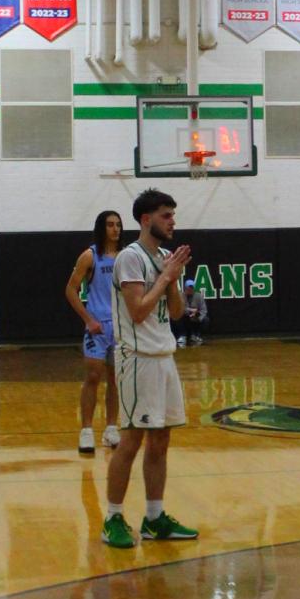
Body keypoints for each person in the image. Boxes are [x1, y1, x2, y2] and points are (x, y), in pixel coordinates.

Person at [101, 188, 198, 548]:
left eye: (173, 215)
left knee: (161, 439)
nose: (173, 221)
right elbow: (138, 311)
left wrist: (172, 275)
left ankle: (154, 518)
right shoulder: (130, 258)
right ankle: (112, 517)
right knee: (130, 441)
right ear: (146, 220)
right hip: (137, 359)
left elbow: (174, 314)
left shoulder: (161, 257)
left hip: (163, 357)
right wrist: (165, 276)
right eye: (166, 215)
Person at [65, 209, 123, 454]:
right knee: (92, 378)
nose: (115, 229)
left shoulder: (126, 257)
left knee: (115, 380)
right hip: (97, 326)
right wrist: (88, 319)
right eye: (110, 224)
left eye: (118, 224)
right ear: (102, 227)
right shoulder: (90, 256)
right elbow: (70, 290)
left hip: (120, 328)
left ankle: (111, 429)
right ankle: (86, 430)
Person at [176, 277, 208, 348]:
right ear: (185, 288)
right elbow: (179, 308)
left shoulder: (199, 296)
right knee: (177, 317)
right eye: (188, 288)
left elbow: (204, 310)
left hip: (195, 318)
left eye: (192, 288)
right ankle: (182, 336)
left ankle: (196, 336)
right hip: (184, 318)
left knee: (205, 320)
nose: (190, 289)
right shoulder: (180, 296)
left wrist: (197, 315)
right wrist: (190, 311)